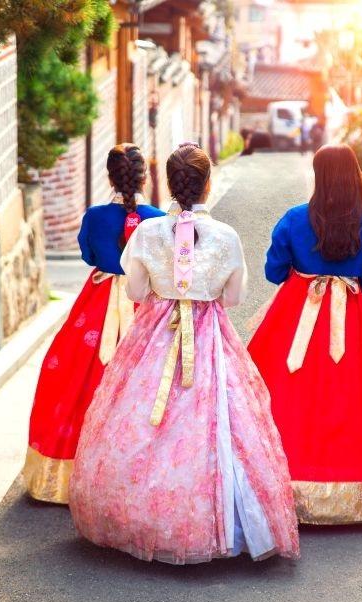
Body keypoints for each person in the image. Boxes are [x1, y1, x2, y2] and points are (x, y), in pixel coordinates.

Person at [69, 143, 300, 564]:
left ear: (170, 186)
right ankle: (218, 519)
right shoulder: (225, 237)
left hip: (152, 335)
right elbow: (234, 297)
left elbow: (135, 291)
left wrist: (166, 289)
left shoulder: (147, 232)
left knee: (139, 416)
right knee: (219, 422)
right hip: (208, 335)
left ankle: (137, 516)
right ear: (207, 184)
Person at [247, 144, 362, 525]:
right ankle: (354, 489)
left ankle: (282, 485)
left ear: (319, 177)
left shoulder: (293, 219)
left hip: (296, 317)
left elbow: (274, 272)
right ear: (354, 175)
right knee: (354, 399)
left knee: (287, 396)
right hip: (351, 320)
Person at [23, 144, 164, 504]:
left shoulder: (95, 216)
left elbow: (88, 254)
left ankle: (65, 470)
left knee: (77, 377)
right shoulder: (159, 219)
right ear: (144, 177)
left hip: (98, 304)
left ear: (110, 177)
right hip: (143, 302)